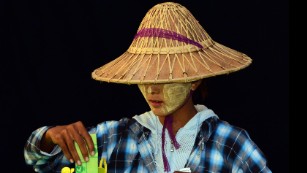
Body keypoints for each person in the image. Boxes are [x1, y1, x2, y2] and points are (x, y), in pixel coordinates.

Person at [24, 2, 272, 173]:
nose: (152, 88)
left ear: (194, 80)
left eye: (165, 76)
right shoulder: (116, 137)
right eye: (146, 75)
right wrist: (48, 138)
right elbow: (42, 164)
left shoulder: (229, 143)